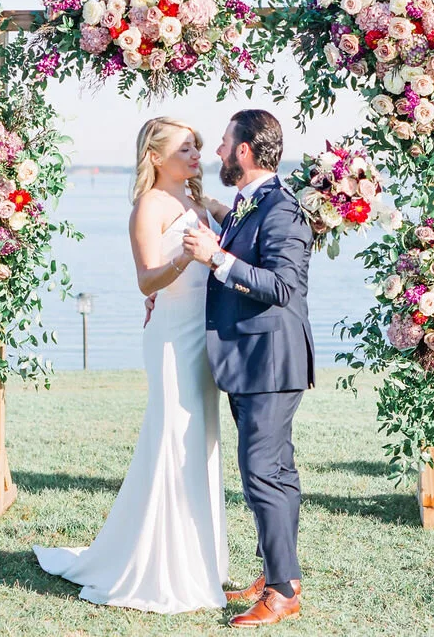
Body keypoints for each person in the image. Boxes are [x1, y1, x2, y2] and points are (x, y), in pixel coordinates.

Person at [32, 116, 230, 614]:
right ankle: (162, 566)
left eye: (197, 146)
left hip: (203, 332)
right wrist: (186, 260)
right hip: (172, 336)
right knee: (173, 439)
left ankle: (200, 559)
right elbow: (146, 280)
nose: (197, 155)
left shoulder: (198, 202)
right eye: (185, 148)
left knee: (201, 440)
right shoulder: (148, 206)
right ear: (155, 157)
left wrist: (218, 214)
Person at [181, 109, 315, 628]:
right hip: (251, 360)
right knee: (276, 471)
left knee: (262, 473)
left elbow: (282, 286)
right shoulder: (249, 202)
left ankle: (281, 592)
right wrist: (215, 215)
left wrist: (215, 258)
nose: (216, 151)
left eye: (222, 143)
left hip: (270, 362)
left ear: (244, 150)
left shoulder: (283, 209)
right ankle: (280, 574)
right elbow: (246, 244)